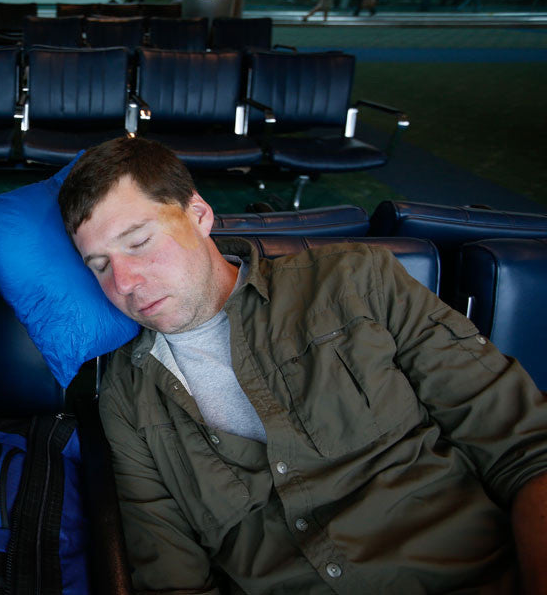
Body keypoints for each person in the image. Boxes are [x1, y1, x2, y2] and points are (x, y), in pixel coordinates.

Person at [57, 136, 547, 594]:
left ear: (200, 214)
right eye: (99, 265)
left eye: (139, 241)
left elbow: (525, 450)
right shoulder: (126, 394)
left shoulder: (355, 282)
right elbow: (172, 574)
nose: (125, 282)